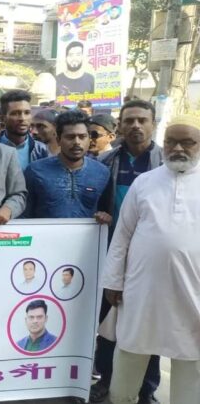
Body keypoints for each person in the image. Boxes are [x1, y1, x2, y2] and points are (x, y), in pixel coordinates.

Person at [101, 114, 200, 404]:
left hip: (193, 291)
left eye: (187, 142)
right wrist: (113, 281)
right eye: (171, 142)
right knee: (130, 352)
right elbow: (122, 235)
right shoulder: (144, 183)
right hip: (142, 290)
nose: (178, 148)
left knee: (191, 358)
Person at [92, 100, 163, 404]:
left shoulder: (165, 162)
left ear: (153, 124)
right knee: (108, 322)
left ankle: (147, 390)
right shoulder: (105, 161)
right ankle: (107, 381)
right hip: (112, 253)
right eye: (129, 120)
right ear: (119, 126)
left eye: (142, 120)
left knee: (152, 325)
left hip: (151, 259)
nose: (135, 126)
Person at [24, 111, 111, 221]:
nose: (77, 142)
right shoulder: (35, 171)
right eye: (70, 137)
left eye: (82, 137)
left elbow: (107, 211)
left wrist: (106, 217)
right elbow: (25, 214)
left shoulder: (102, 172)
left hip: (88, 232)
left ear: (89, 139)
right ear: (58, 140)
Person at [0, 90, 49, 171]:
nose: (22, 118)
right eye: (15, 113)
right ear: (2, 119)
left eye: (27, 113)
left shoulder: (41, 149)